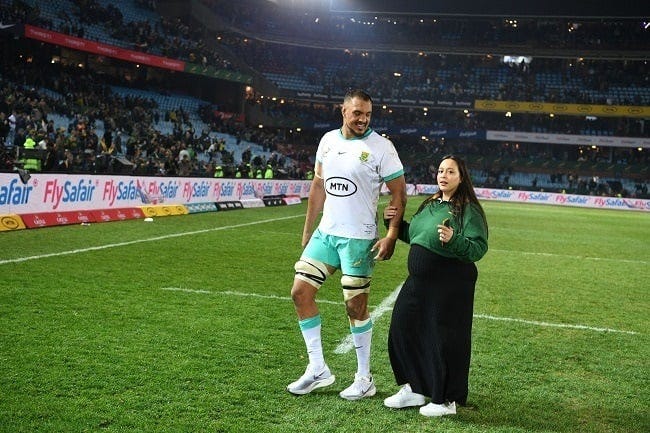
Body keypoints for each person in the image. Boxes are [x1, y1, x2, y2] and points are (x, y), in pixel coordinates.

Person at [286, 89, 407, 400]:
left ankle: (364, 378)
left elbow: (399, 194)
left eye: (367, 114)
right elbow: (318, 185)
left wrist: (392, 234)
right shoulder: (327, 141)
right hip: (326, 234)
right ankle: (317, 369)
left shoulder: (382, 147)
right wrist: (306, 230)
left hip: (358, 238)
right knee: (300, 292)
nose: (363, 119)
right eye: (357, 113)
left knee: (355, 306)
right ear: (343, 111)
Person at [382, 154, 488, 417]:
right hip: (419, 282)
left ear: (461, 177)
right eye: (441, 171)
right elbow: (417, 236)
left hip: (450, 283)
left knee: (443, 339)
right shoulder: (429, 203)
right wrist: (392, 223)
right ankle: (415, 388)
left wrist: (453, 239)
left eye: (450, 172)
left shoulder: (468, 209)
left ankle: (445, 400)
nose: (443, 175)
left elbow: (478, 248)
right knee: (402, 328)